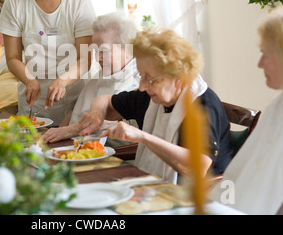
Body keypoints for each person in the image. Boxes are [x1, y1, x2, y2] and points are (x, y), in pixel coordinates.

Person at [78, 28, 233, 184]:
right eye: (141, 76)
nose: (142, 86)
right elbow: (105, 101)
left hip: (199, 194)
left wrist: (143, 137)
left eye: (150, 79)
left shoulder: (202, 105)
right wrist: (97, 115)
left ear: (178, 77)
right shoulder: (151, 98)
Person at [211, 5, 283, 215]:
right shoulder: (280, 103)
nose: (259, 64)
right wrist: (215, 206)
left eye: (265, 55)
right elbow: (237, 172)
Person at [0, 0, 96, 125]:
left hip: (73, 96)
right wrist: (30, 81)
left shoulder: (79, 3)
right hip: (33, 97)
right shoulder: (14, 3)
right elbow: (12, 58)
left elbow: (86, 59)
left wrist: (62, 81)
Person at [42, 12, 140, 143]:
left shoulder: (138, 83)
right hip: (74, 145)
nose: (97, 58)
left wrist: (68, 132)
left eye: (103, 51)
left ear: (127, 50)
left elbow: (112, 124)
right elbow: (73, 113)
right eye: (95, 51)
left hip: (109, 152)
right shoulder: (102, 74)